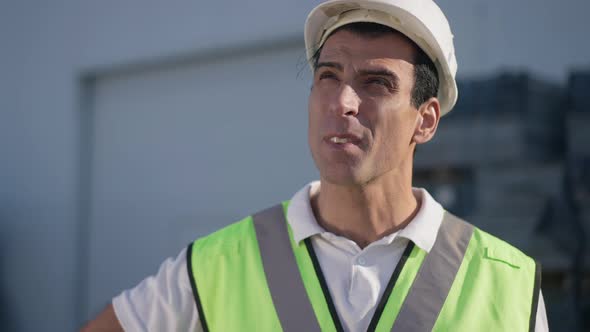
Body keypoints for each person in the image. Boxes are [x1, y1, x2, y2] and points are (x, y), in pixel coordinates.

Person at [82, 0, 549, 331]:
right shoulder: (212, 268)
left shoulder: (509, 283)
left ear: (424, 121)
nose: (343, 101)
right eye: (328, 76)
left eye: (376, 83)